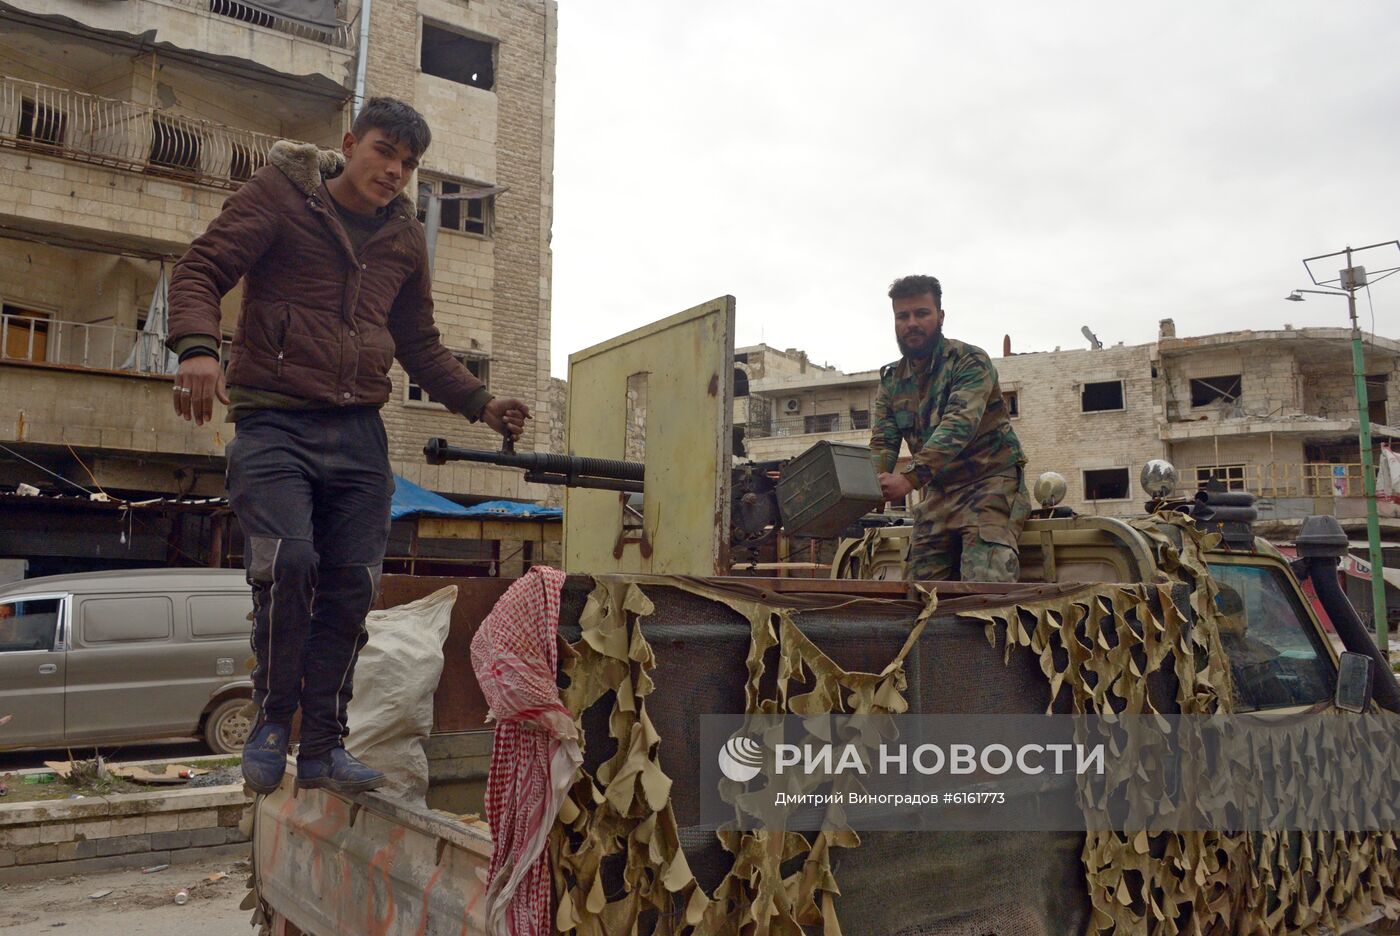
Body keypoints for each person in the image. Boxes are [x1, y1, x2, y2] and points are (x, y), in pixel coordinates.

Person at [167, 98, 531, 795]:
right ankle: (275, 720)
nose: (393, 171)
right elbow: (201, 270)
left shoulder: (401, 240)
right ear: (350, 142)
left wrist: (480, 403)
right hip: (274, 424)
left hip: (358, 433)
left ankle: (327, 747)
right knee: (290, 561)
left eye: (408, 163)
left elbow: (419, 344)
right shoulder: (279, 196)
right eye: (383, 151)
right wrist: (195, 348)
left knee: (351, 585)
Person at [870, 274, 1030, 582]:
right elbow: (883, 443)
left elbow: (959, 424)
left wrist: (909, 479)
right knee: (917, 592)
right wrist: (866, 489)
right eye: (903, 316)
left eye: (922, 313)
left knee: (984, 590)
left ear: (940, 316)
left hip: (990, 482)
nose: (912, 323)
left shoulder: (969, 362)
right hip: (940, 492)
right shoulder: (892, 381)